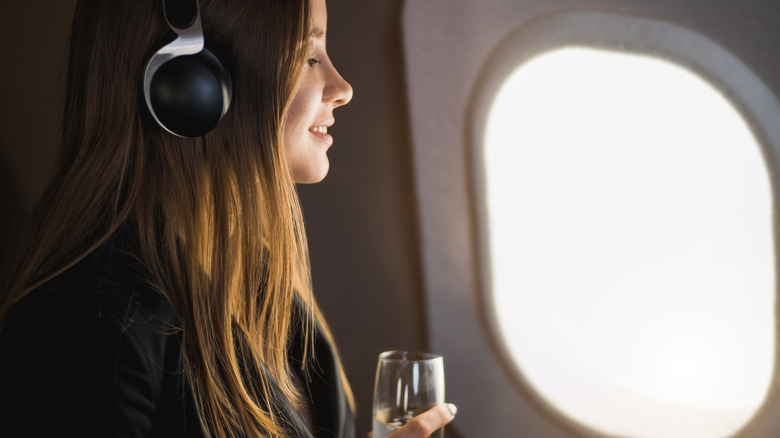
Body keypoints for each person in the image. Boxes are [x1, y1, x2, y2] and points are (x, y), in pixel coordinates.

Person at [0, 0, 457, 437]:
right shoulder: (85, 329)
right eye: (307, 55)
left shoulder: (273, 296)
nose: (342, 88)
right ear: (190, 85)